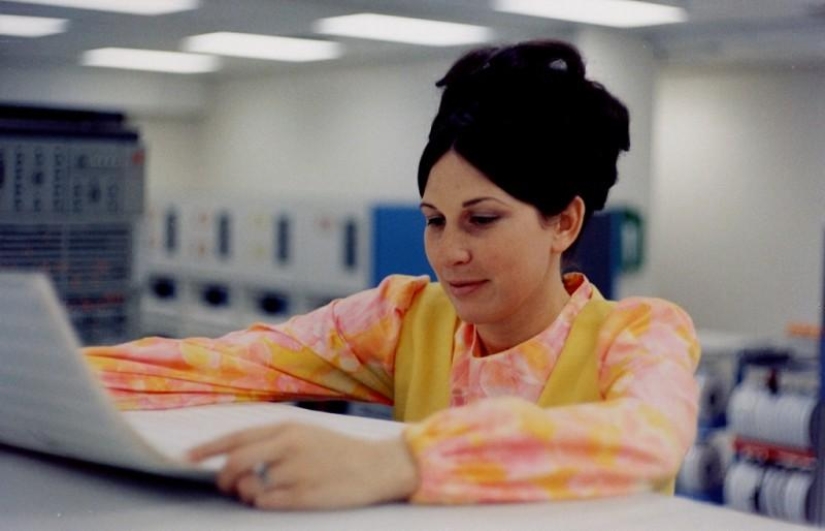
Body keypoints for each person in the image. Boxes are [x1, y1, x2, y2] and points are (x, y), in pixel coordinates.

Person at [84, 39, 700, 510]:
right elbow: (225, 363)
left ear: (563, 223)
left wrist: (400, 461)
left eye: (482, 220)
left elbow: (646, 437)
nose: (449, 252)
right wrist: (61, 375)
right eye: (435, 221)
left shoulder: (640, 334)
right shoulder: (404, 319)